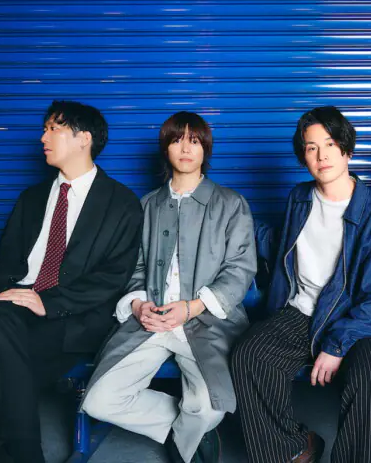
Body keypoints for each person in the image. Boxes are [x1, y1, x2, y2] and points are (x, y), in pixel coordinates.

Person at [230, 106, 371, 463]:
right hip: (302, 312)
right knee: (248, 356)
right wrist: (232, 223)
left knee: (368, 387)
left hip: (357, 323)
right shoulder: (299, 198)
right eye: (311, 147)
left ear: (347, 149)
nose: (322, 155)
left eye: (330, 144)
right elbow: (282, 245)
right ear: (304, 156)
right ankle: (294, 449)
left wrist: (336, 345)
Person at [0, 100, 143, 463]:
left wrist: (47, 302)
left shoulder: (122, 204)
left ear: (84, 138)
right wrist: (11, 295)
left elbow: (113, 277)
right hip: (13, 310)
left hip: (73, 319)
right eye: (44, 129)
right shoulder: (31, 198)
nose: (42, 138)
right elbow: (6, 261)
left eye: (53, 129)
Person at [81, 112, 256, 463]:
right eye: (177, 140)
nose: (186, 148)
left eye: (194, 141)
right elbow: (133, 268)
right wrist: (138, 305)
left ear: (205, 149)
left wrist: (192, 307)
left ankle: (189, 435)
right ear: (166, 148)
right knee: (98, 400)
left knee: (209, 406)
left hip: (206, 321)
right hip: (151, 320)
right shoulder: (147, 205)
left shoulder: (231, 204)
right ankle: (188, 433)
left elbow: (240, 270)